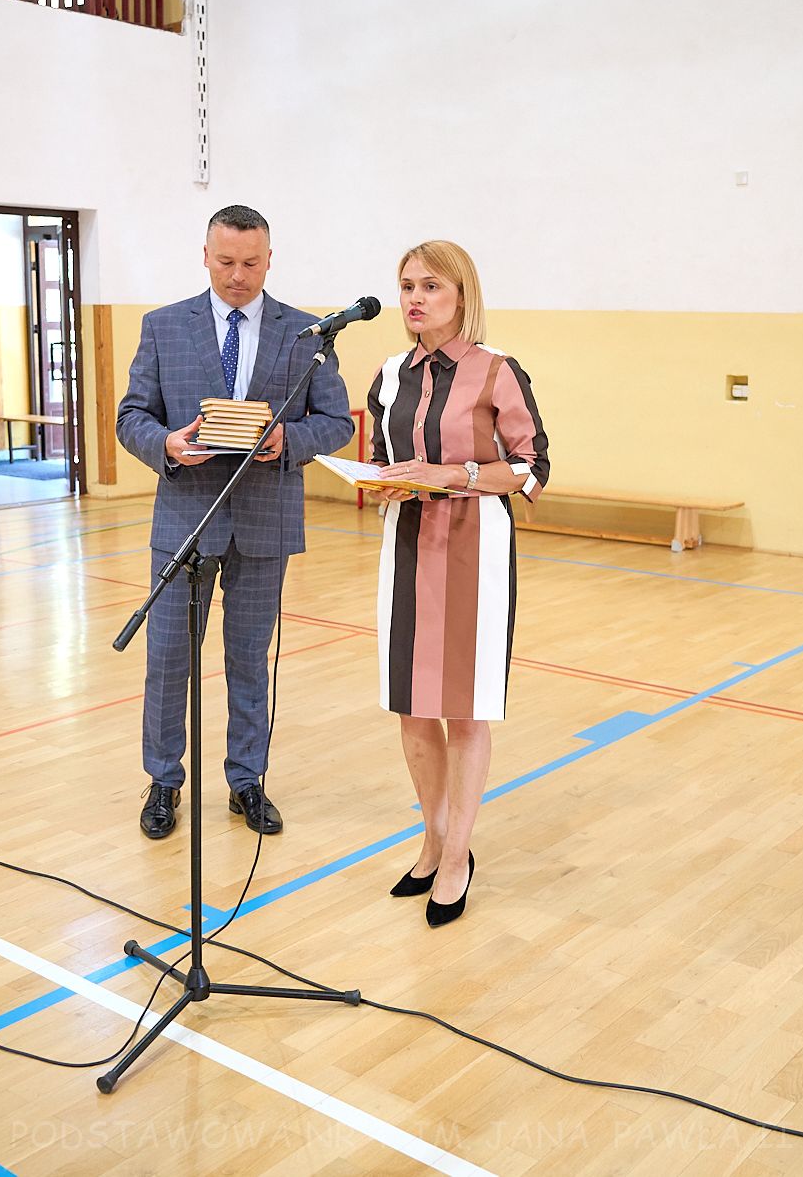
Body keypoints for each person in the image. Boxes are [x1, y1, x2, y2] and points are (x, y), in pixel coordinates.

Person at [115, 206, 355, 840]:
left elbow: (337, 422)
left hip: (264, 520)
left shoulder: (306, 334)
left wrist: (289, 440)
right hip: (186, 520)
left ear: (270, 260)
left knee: (250, 660)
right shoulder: (164, 326)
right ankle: (163, 780)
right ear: (205, 256)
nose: (238, 275)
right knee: (169, 658)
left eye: (251, 263)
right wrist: (167, 444)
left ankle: (247, 779)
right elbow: (131, 416)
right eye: (225, 262)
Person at [366, 241, 549, 927]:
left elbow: (531, 467)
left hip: (476, 549)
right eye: (407, 285)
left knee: (465, 711)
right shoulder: (388, 375)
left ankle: (456, 858)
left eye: (431, 286)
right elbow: (383, 458)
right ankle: (434, 838)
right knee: (413, 708)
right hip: (407, 546)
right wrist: (385, 482)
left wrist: (459, 475)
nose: (415, 298)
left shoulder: (498, 370)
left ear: (462, 295)